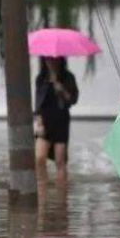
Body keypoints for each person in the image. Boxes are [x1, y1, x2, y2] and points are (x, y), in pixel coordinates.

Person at [34, 57, 79, 186]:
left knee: (60, 160)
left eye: (54, 59)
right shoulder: (41, 78)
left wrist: (63, 90)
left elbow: (73, 100)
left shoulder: (68, 77)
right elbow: (38, 105)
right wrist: (39, 123)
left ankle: (61, 195)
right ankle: (42, 188)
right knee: (39, 158)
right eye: (47, 59)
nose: (51, 62)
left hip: (61, 121)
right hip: (45, 122)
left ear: (60, 59)